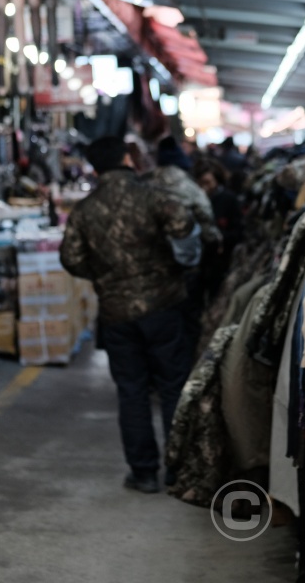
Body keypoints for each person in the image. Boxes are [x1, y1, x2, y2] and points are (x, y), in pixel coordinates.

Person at [60, 136, 201, 493]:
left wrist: (106, 275)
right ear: (126, 158)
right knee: (172, 387)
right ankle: (177, 469)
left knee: (132, 391)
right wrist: (177, 264)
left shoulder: (84, 210)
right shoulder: (153, 196)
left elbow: (71, 259)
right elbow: (184, 225)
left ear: (95, 166)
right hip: (164, 304)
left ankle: (143, 473)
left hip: (116, 312)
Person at [147, 135, 222, 362]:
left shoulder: (146, 183)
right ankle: (185, 361)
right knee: (188, 315)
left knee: (157, 319)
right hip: (185, 264)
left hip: (152, 265)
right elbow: (206, 218)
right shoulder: (187, 186)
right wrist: (214, 241)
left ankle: (159, 365)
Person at [194, 157, 244, 300]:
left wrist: (220, 238)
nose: (205, 187)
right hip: (200, 261)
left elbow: (238, 232)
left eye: (208, 182)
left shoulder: (228, 200)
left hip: (221, 261)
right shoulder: (194, 202)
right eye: (201, 183)